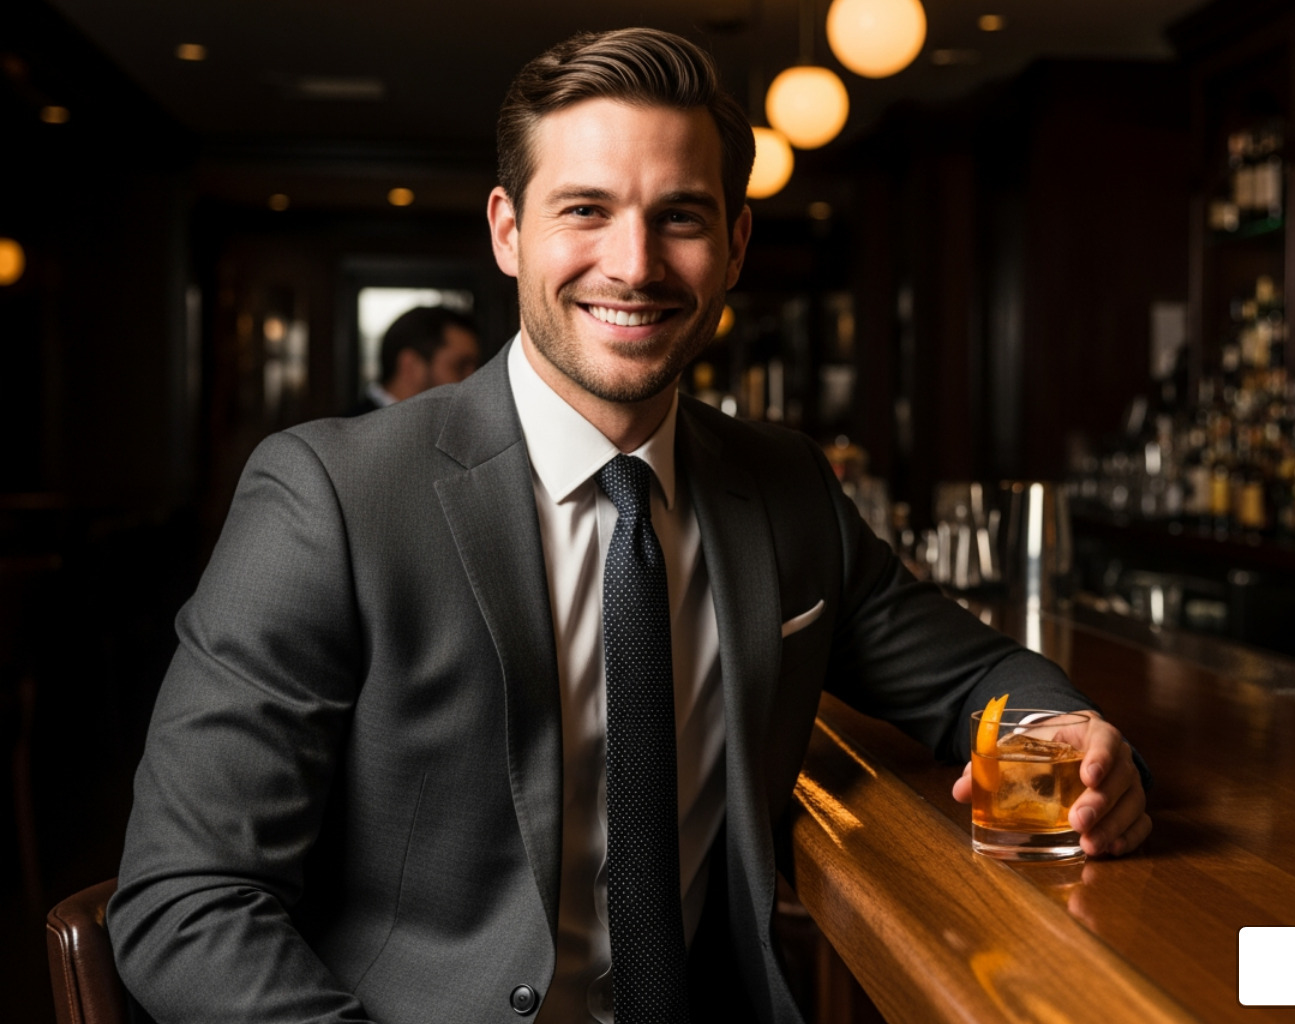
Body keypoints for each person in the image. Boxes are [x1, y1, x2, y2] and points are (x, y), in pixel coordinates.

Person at [109, 27, 1150, 1024]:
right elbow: (186, 899)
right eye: (586, 211)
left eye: (682, 217)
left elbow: (976, 679)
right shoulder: (328, 497)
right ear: (508, 232)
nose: (636, 263)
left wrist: (1070, 737)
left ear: (736, 244)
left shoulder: (784, 486)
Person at [345, 305, 481, 415]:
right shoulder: (349, 438)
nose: (473, 380)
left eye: (474, 367)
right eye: (459, 366)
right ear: (410, 366)